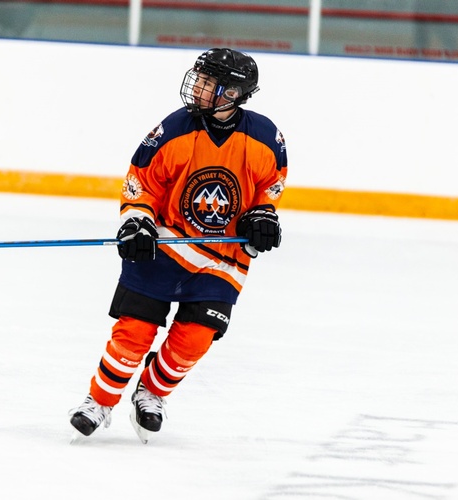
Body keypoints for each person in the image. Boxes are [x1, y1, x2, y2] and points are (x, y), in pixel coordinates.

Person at [69, 47, 288, 443]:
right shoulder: (174, 129)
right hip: (164, 247)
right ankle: (99, 402)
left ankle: (151, 393)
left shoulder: (264, 137)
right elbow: (141, 183)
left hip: (223, 258)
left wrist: (263, 214)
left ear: (234, 94)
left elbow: (269, 188)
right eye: (200, 79)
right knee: (134, 331)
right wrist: (137, 220)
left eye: (210, 83)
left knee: (195, 338)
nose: (199, 88)